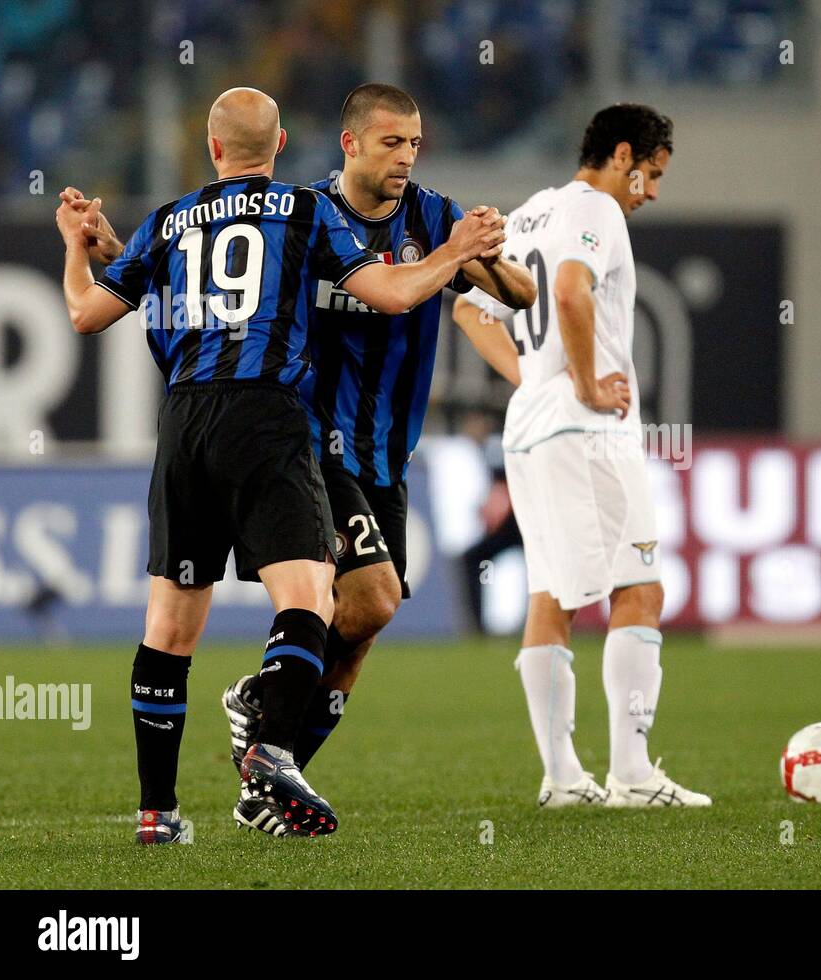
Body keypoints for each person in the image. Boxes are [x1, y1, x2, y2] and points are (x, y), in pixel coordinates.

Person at [55, 86, 506, 841]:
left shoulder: (169, 221)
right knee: (308, 599)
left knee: (167, 628)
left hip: (185, 419)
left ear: (212, 149)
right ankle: (267, 743)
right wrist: (455, 253)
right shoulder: (306, 209)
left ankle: (157, 815)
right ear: (284, 143)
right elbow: (392, 294)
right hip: (267, 415)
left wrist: (82, 243)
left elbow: (85, 312)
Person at [456, 104, 711, 807]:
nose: (651, 191)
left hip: (532, 427)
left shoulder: (532, 212)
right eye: (651, 174)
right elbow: (570, 287)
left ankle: (564, 777)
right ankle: (632, 773)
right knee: (641, 586)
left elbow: (470, 310)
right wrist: (589, 380)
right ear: (623, 155)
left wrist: (533, 376)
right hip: (586, 432)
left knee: (551, 594)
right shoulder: (598, 208)